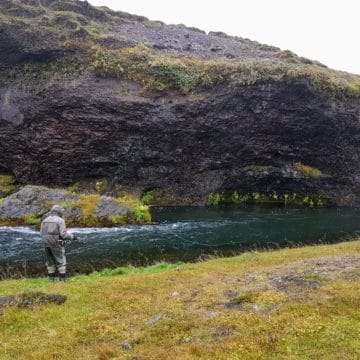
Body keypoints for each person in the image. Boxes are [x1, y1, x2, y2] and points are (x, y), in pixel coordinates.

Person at [40, 205, 79, 282]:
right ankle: (63, 278)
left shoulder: (45, 220)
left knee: (50, 260)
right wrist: (73, 237)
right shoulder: (60, 220)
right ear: (59, 212)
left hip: (45, 242)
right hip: (56, 242)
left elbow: (41, 233)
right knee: (61, 259)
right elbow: (63, 234)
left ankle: (51, 279)